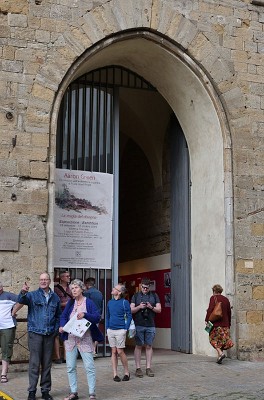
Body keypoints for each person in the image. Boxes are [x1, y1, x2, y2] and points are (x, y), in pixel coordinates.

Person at [18, 273, 61, 400]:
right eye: (41, 279)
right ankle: (32, 391)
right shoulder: (32, 295)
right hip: (35, 333)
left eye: (45, 279)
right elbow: (21, 300)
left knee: (47, 364)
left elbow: (58, 315)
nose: (43, 281)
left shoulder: (55, 298)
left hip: (49, 334)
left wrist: (55, 331)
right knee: (34, 364)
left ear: (49, 281)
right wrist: (23, 291)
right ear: (39, 281)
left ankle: (45, 391)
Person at [59, 279, 103, 400]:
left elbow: (97, 317)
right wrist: (62, 326)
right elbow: (63, 316)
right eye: (72, 288)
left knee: (89, 366)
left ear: (82, 289)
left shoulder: (89, 302)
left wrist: (85, 314)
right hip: (71, 339)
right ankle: (73, 392)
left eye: (76, 288)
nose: (74, 290)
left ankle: (92, 393)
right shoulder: (70, 303)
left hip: (85, 338)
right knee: (70, 367)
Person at [130, 277, 161, 378]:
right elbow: (131, 310)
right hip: (139, 323)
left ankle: (148, 367)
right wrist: (139, 307)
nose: (145, 290)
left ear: (149, 287)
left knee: (149, 346)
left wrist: (150, 307)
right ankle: (138, 368)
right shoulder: (136, 296)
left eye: (147, 288)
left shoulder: (154, 296)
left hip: (150, 324)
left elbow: (159, 309)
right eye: (143, 288)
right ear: (140, 286)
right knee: (138, 346)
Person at [106, 283, 131, 382]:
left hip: (120, 330)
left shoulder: (124, 302)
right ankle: (115, 374)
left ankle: (126, 372)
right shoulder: (110, 302)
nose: (112, 289)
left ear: (119, 292)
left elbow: (129, 316)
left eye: (115, 288)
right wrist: (107, 327)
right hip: (111, 329)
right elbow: (107, 315)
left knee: (120, 351)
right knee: (113, 351)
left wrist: (126, 328)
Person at [0, 282, 23, 383]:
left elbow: (22, 300)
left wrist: (14, 311)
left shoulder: (9, 295)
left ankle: (4, 373)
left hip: (7, 326)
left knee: (6, 349)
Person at [205, 284, 234, 364]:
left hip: (216, 325)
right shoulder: (226, 299)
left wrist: (207, 320)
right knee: (221, 341)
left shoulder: (213, 298)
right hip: (225, 324)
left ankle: (220, 353)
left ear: (214, 291)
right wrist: (229, 323)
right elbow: (229, 312)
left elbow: (210, 310)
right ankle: (219, 357)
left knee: (212, 340)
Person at [54, 270, 72, 363]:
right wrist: (64, 303)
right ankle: (57, 357)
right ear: (61, 278)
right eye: (66, 276)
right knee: (57, 335)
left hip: (69, 314)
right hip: (59, 313)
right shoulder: (56, 289)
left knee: (67, 334)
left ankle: (66, 356)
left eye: (69, 276)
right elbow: (54, 302)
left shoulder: (71, 288)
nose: (69, 278)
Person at [83, 277, 103, 356]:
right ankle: (94, 350)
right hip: (97, 316)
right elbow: (101, 305)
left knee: (88, 333)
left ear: (87, 284)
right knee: (95, 332)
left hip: (88, 317)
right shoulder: (99, 293)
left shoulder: (86, 293)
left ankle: (89, 350)